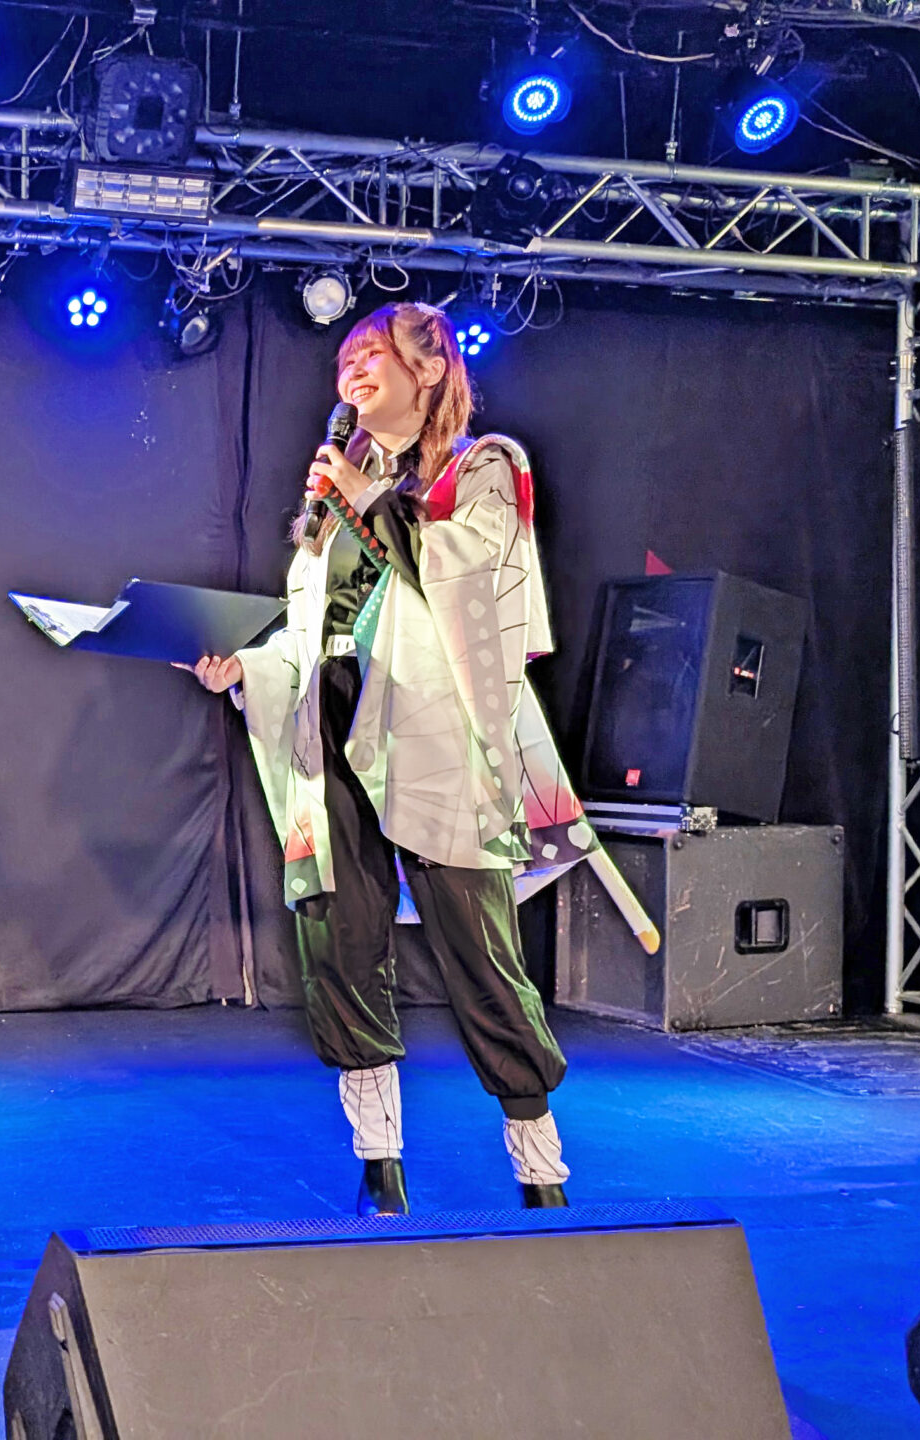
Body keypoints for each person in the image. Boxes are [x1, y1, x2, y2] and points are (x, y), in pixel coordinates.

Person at [187, 302, 572, 1214]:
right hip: (329, 732)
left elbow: (472, 587)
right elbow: (310, 636)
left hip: (433, 738)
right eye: (346, 359)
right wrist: (243, 668)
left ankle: (541, 1170)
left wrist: (370, 501)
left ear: (429, 369)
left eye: (374, 354)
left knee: (482, 958)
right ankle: (380, 1170)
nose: (352, 371)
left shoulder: (482, 467)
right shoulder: (332, 499)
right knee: (342, 945)